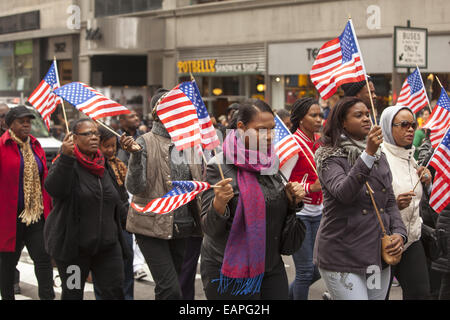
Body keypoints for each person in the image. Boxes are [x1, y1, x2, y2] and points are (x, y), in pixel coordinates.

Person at [200, 100, 306, 300]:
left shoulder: (271, 161)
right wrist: (219, 205)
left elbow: (273, 207)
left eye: (272, 129)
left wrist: (292, 200)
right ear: (241, 128)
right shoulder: (219, 166)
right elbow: (209, 228)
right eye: (261, 130)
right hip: (230, 267)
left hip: (270, 263)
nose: (269, 136)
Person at [313, 97, 407, 300]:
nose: (366, 119)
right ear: (342, 122)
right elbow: (343, 193)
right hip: (342, 255)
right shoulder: (328, 156)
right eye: (358, 115)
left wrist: (400, 234)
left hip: (375, 257)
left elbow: (389, 202)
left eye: (367, 114)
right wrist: (368, 155)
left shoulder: (380, 156)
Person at [125, 88, 204, 300]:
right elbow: (135, 187)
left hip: (183, 225)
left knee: (172, 287)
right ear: (157, 112)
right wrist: (134, 158)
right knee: (170, 289)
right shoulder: (144, 142)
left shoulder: (191, 143)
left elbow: (199, 182)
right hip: (151, 226)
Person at [43, 118, 131, 300]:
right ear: (74, 138)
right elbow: (54, 189)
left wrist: (132, 223)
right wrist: (66, 158)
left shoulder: (103, 164)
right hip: (73, 250)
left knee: (114, 293)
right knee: (72, 294)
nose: (93, 137)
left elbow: (117, 199)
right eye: (87, 134)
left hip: (107, 247)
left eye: (95, 134)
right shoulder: (66, 163)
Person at [0, 106, 55, 300]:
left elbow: (43, 178)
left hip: (35, 216)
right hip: (9, 219)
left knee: (43, 261)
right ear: (9, 124)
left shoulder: (35, 145)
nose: (26, 124)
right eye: (21, 121)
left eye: (28, 121)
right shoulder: (2, 146)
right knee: (6, 267)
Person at [380, 105, 432, 300]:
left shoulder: (412, 157)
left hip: (411, 239)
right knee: (378, 296)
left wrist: (426, 181)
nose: (410, 129)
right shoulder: (377, 157)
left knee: (420, 294)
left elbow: (419, 199)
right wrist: (393, 204)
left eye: (413, 124)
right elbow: (366, 201)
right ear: (388, 127)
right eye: (403, 125)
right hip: (383, 243)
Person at [92, 126, 135, 300]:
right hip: (103, 224)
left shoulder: (119, 164)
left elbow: (128, 190)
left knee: (127, 263)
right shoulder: (94, 166)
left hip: (123, 219)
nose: (110, 150)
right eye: (106, 146)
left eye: (113, 146)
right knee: (102, 271)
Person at [288, 97, 324, 300]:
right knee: (304, 271)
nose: (319, 119)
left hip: (319, 213)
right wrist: (312, 186)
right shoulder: (293, 144)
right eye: (314, 115)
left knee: (317, 269)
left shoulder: (318, 143)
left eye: (320, 115)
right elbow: (283, 182)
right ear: (301, 119)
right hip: (299, 215)